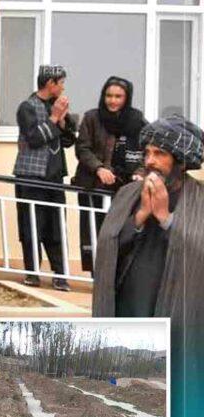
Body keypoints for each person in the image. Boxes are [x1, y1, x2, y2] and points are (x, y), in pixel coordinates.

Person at [93, 116, 204, 338]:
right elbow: (108, 244)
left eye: (160, 154)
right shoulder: (128, 194)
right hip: (130, 302)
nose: (150, 161)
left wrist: (166, 219)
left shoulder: (200, 198)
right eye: (147, 153)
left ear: (181, 161)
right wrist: (140, 216)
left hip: (180, 306)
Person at [13, 65, 78, 291]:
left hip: (55, 176)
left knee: (56, 226)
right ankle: (32, 273)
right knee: (31, 224)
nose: (63, 87)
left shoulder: (58, 108)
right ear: (50, 83)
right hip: (31, 176)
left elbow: (70, 141)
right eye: (60, 83)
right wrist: (53, 118)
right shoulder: (27, 107)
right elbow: (34, 139)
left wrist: (62, 121)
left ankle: (60, 275)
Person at [74, 76, 146, 272]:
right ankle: (95, 275)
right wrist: (99, 168)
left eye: (118, 96)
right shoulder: (91, 117)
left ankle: (117, 273)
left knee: (119, 232)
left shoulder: (136, 120)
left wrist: (140, 172)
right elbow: (82, 148)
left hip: (124, 189)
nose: (112, 100)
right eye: (108, 95)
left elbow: (147, 152)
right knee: (92, 230)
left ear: (127, 98)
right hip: (93, 185)